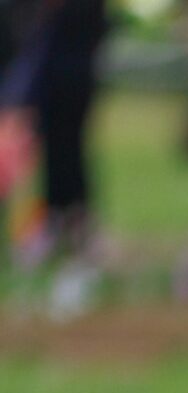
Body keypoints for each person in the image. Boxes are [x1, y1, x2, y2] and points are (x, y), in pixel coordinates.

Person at [0, 0, 110, 263]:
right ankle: (60, 224)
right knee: (48, 149)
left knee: (65, 147)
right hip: (49, 60)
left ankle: (70, 224)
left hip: (67, 61)